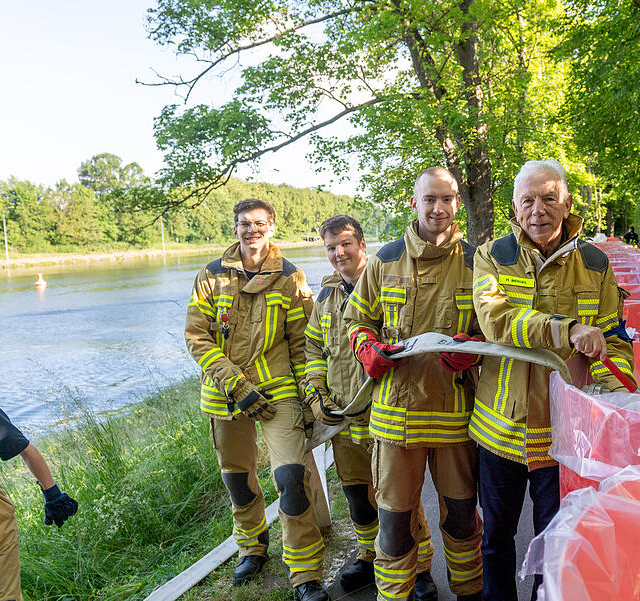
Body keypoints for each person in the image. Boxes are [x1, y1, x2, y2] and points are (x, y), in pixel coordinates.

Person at [470, 159, 636, 601]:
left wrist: (621, 401)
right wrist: (567, 330)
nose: (537, 210)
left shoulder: (596, 264)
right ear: (514, 208)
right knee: (494, 541)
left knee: (555, 545)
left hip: (564, 434)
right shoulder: (490, 257)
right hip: (500, 431)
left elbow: (614, 341)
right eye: (527, 200)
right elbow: (497, 320)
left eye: (548, 198)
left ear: (567, 204)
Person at [343, 167, 484, 601]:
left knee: (462, 519)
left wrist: (475, 349)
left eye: (447, 199)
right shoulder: (384, 260)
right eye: (430, 199)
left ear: (456, 202)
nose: (439, 208)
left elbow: (493, 328)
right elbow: (356, 320)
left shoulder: (478, 262)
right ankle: (394, 595)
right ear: (415, 203)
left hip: (456, 416)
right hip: (394, 418)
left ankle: (469, 593)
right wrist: (367, 349)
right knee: (394, 526)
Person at [184, 198, 328, 601]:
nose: (252, 230)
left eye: (259, 223)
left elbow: (302, 345)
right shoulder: (211, 276)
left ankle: (305, 574)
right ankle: (252, 548)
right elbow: (197, 337)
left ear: (272, 227)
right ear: (235, 229)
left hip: (278, 390)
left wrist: (310, 399)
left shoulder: (290, 277)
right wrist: (235, 384)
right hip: (224, 394)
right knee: (237, 479)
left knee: (291, 479)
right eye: (245, 224)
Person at [301, 215, 436, 593]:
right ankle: (367, 555)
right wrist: (317, 394)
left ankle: (421, 567)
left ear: (362, 245)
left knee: (398, 500)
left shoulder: (386, 285)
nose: (339, 253)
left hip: (384, 415)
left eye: (346, 244)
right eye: (331, 247)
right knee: (357, 496)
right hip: (343, 419)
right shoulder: (325, 298)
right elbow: (314, 349)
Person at [0, 398, 79, 601]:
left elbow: (27, 451)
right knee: (4, 596)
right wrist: (53, 495)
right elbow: (27, 451)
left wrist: (53, 495)